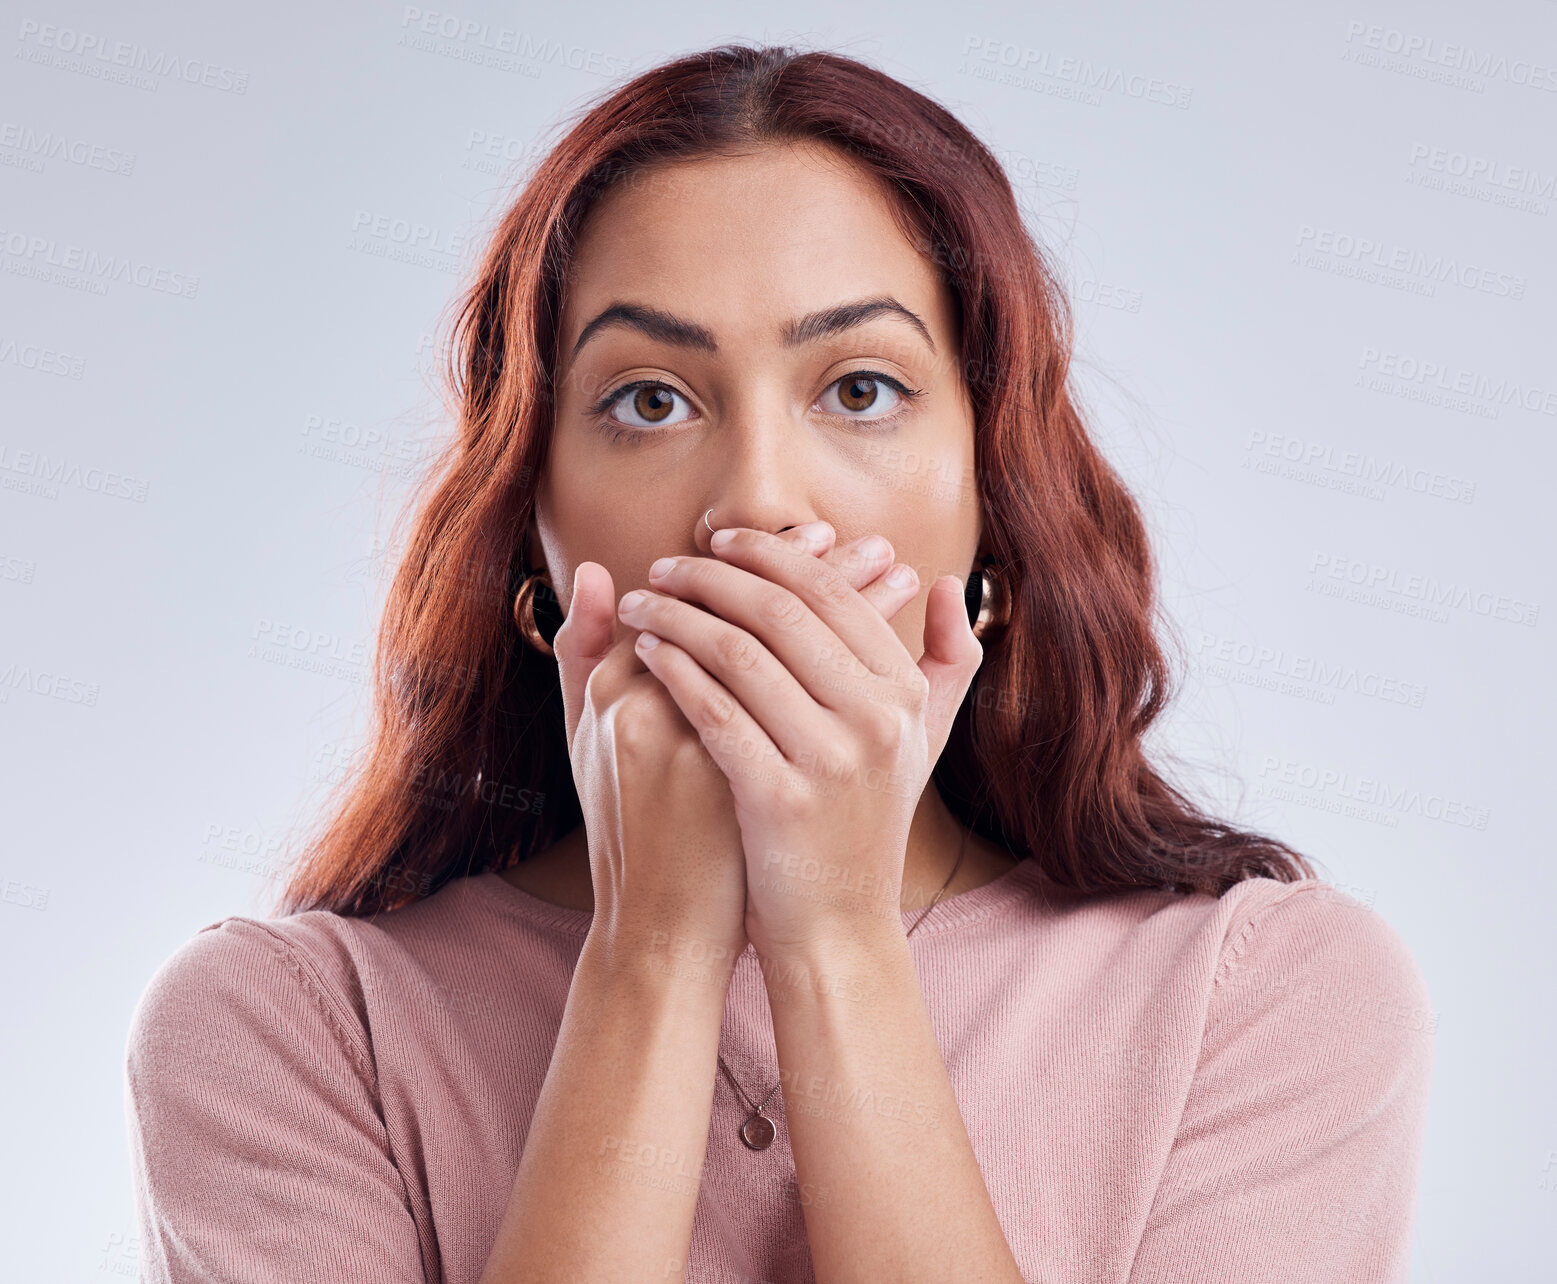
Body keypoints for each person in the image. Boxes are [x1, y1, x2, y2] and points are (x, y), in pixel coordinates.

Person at [124, 43, 1434, 1283]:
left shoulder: (1260, 1000)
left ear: (996, 493)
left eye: (859, 389)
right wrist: (649, 956)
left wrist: (836, 940)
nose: (757, 504)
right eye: (649, 400)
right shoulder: (287, 1031)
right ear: (532, 535)